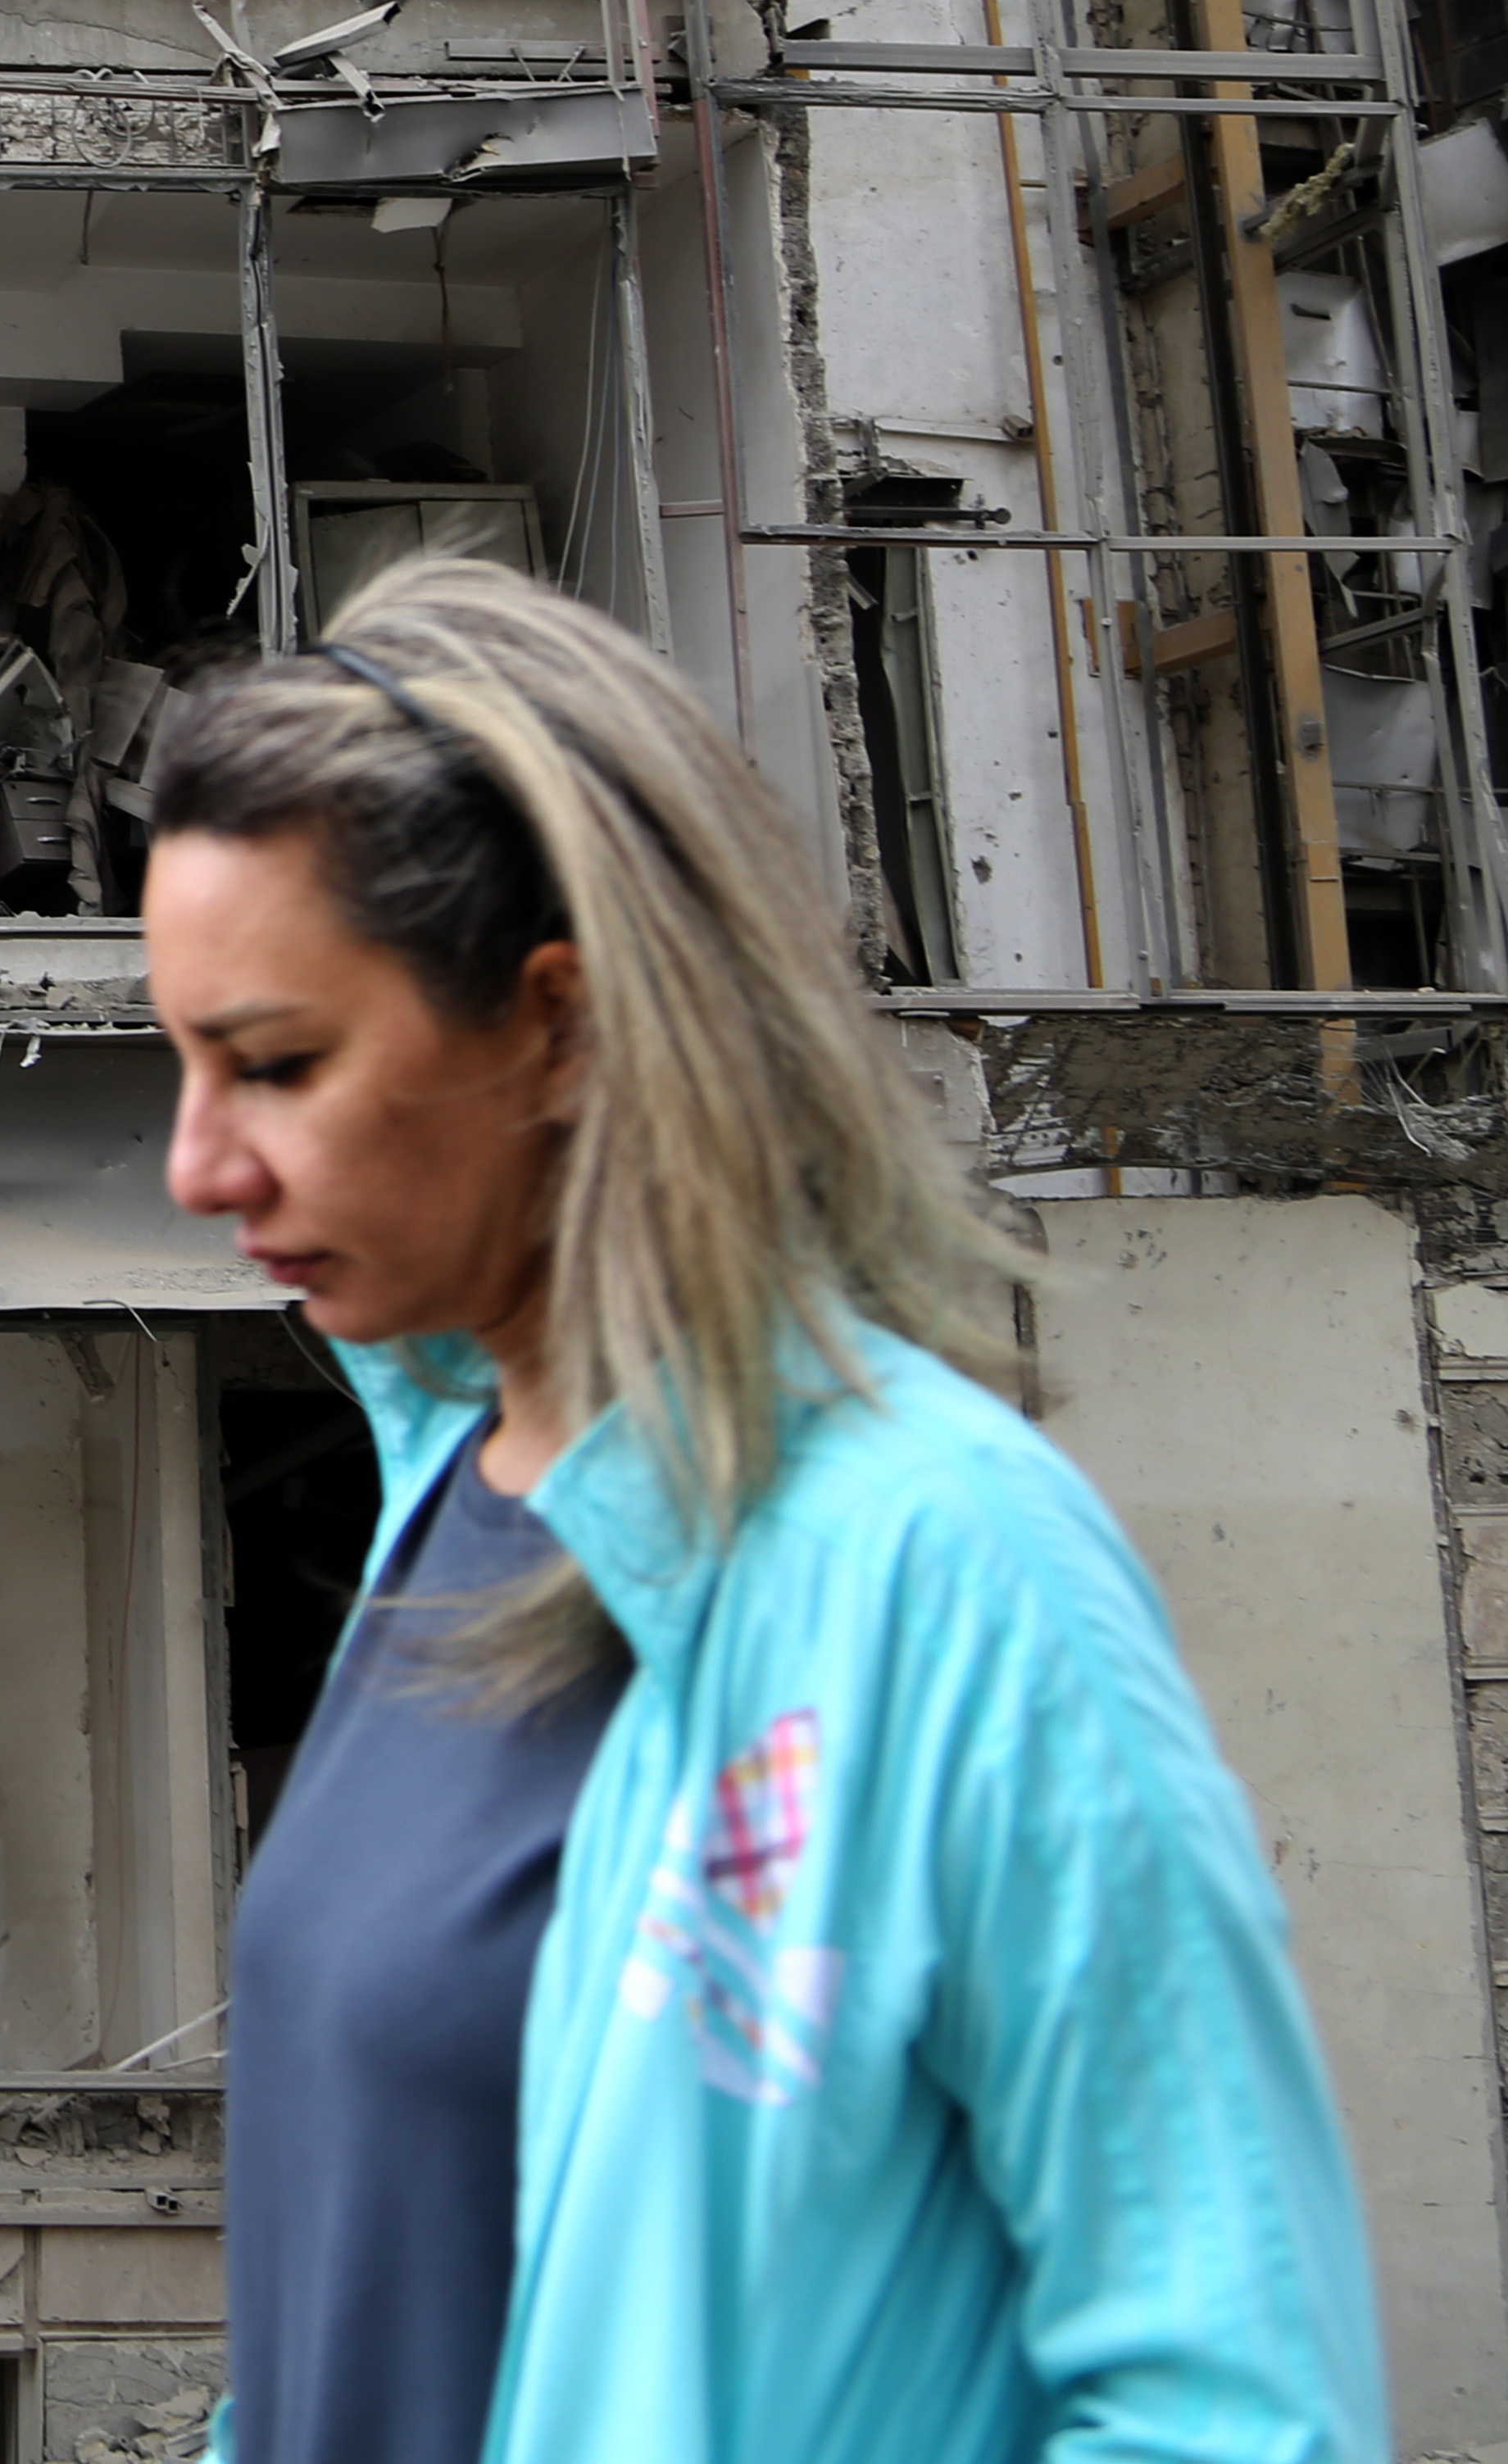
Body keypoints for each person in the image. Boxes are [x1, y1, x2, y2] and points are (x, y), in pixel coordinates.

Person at [150, 562, 1380, 2464]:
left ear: (556, 1028)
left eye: (278, 1063)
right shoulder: (439, 1508)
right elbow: (378, 2293)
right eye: (183, 1062)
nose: (194, 1165)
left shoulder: (946, 1570)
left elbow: (1230, 2409)